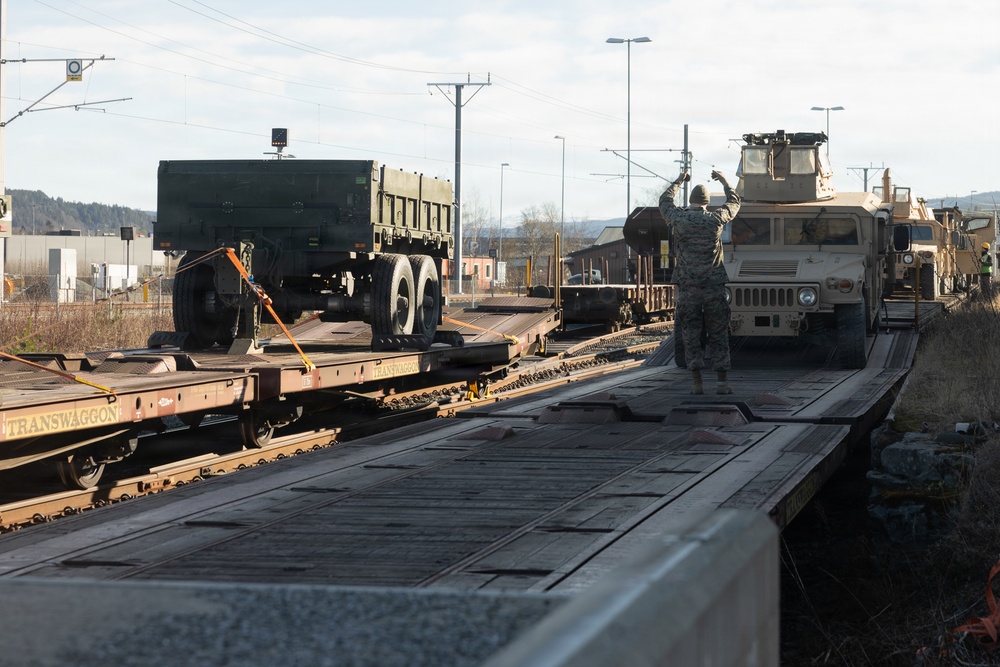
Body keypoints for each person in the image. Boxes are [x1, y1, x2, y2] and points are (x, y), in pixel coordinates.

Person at [659, 169, 741, 394]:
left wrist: (679, 180)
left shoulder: (678, 218)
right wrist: (724, 180)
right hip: (713, 287)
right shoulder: (715, 220)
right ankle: (722, 383)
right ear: (706, 203)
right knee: (718, 333)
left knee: (690, 333)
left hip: (689, 289)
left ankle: (697, 383)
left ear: (690, 201)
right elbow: (734, 201)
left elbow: (664, 200)